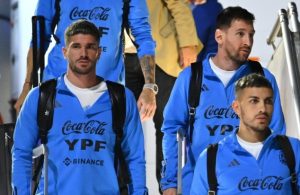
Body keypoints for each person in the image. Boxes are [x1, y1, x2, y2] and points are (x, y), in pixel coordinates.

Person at [12, 20, 148, 195]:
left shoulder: (122, 98)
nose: (83, 53)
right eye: (76, 46)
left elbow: (135, 158)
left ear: (99, 53)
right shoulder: (41, 97)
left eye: (90, 47)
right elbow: (21, 152)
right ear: (65, 52)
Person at [161, 6, 286, 195]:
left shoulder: (263, 77)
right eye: (240, 34)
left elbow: (276, 135)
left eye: (251, 35)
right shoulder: (191, 77)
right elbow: (172, 130)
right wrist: (170, 183)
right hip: (198, 186)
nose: (248, 41)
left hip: (248, 186)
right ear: (219, 37)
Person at [14, 0, 157, 122]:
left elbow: (143, 36)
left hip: (106, 96)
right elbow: (39, 36)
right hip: (58, 93)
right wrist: (27, 85)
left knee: (105, 152)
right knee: (56, 152)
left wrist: (149, 87)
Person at [124, 0, 202, 191]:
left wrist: (188, 43)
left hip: (161, 54)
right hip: (120, 58)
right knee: (123, 130)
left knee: (169, 128)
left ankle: (171, 188)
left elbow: (178, 3)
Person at [190, 73, 300, 195]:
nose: (263, 109)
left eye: (268, 101)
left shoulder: (294, 149)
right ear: (236, 107)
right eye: (254, 101)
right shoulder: (210, 157)